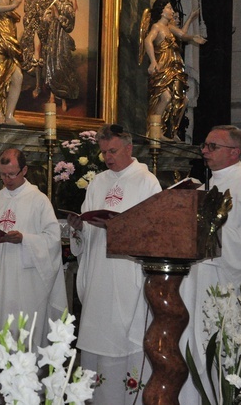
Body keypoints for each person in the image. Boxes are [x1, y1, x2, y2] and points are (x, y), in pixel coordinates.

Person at [67, 124, 161, 404]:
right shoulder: (98, 182)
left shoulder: (146, 182)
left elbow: (154, 230)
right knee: (97, 339)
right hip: (99, 273)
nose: (107, 157)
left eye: (113, 151)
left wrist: (118, 226)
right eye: (104, 152)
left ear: (129, 148)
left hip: (126, 274)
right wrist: (79, 228)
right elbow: (87, 227)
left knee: (123, 339)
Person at [179, 125, 241, 402]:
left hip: (231, 288)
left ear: (234, 152)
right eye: (205, 145)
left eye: (212, 146)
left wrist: (213, 232)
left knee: (226, 353)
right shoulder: (208, 186)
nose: (204, 151)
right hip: (200, 279)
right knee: (198, 347)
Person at [0, 147, 66, 404]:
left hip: (26, 289)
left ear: (24, 170)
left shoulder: (39, 201)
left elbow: (53, 240)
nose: (7, 179)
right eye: (3, 175)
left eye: (12, 174)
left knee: (21, 348)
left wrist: (25, 239)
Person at [143, 0, 206, 141]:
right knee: (165, 97)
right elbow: (148, 41)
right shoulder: (157, 26)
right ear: (162, 11)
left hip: (174, 67)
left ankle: (171, 131)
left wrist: (193, 31)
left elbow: (183, 35)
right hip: (163, 67)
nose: (172, 11)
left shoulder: (169, 28)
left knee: (181, 100)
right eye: (169, 8)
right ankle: (155, 130)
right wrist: (153, 61)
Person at [43, 0, 79, 112]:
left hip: (62, 41)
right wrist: (49, 16)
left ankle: (63, 99)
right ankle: (52, 97)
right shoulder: (54, 3)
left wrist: (58, 17)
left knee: (61, 67)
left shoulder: (69, 7)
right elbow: (45, 17)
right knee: (51, 65)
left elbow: (70, 26)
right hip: (53, 39)